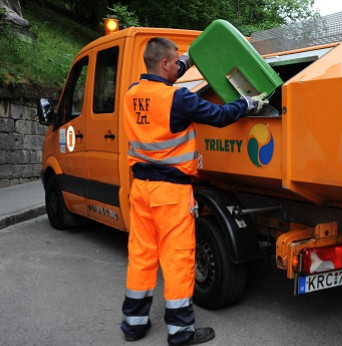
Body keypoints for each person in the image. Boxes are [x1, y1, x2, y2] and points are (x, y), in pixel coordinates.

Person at [121, 36, 267, 346]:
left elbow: (167, 77)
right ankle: (181, 331)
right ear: (164, 64)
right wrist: (248, 103)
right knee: (177, 261)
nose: (179, 68)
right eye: (175, 64)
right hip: (170, 194)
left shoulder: (131, 94)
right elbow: (219, 116)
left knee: (142, 256)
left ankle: (133, 324)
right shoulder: (177, 99)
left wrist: (191, 57)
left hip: (141, 191)